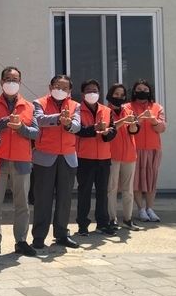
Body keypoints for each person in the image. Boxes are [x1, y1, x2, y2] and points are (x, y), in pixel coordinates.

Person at [0, 66, 39, 258]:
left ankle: (21, 241)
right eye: (8, 79)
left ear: (20, 82)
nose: (11, 82)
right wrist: (4, 122)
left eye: (15, 79)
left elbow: (36, 133)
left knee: (22, 204)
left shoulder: (29, 106)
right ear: (1, 82)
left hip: (22, 160)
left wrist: (21, 127)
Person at [31, 75, 81, 250]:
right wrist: (59, 118)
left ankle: (61, 234)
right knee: (42, 199)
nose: (60, 90)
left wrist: (68, 124)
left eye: (64, 88)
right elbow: (38, 120)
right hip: (45, 156)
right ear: (50, 87)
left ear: (70, 91)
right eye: (57, 86)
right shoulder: (39, 103)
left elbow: (77, 126)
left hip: (68, 157)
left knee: (64, 198)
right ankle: (39, 236)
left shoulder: (75, 105)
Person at [75, 80, 117, 236]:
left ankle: (102, 223)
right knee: (84, 192)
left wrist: (106, 133)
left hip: (104, 158)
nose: (92, 93)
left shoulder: (107, 110)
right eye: (88, 90)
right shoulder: (77, 110)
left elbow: (113, 131)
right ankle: (82, 225)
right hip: (84, 157)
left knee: (102, 192)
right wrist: (94, 128)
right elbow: (78, 130)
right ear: (83, 93)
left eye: (95, 90)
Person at [130, 79, 167, 222]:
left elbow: (162, 128)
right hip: (134, 148)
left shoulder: (157, 107)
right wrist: (139, 120)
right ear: (134, 91)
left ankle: (150, 208)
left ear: (150, 91)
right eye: (139, 89)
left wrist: (154, 121)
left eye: (145, 90)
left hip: (153, 148)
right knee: (136, 180)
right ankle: (141, 209)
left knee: (151, 179)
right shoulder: (128, 107)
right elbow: (126, 128)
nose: (142, 92)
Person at [105, 83, 140, 231]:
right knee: (111, 189)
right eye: (116, 94)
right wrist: (123, 121)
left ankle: (128, 219)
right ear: (110, 95)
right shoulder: (105, 111)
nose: (119, 97)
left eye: (122, 95)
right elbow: (109, 129)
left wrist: (133, 124)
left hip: (129, 155)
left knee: (128, 190)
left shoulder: (129, 110)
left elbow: (134, 130)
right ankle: (112, 219)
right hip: (112, 155)